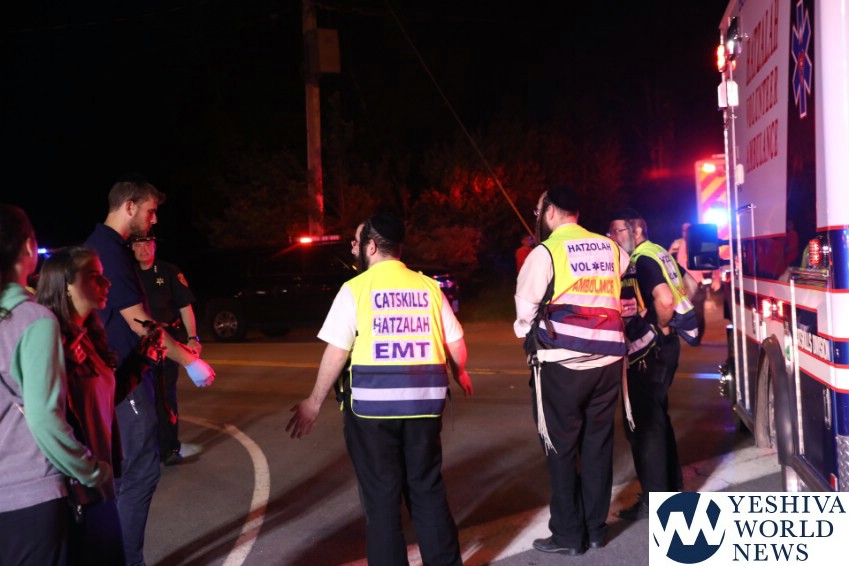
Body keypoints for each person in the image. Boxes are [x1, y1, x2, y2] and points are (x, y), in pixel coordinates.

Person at [286, 213, 473, 565]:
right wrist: (459, 371)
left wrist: (314, 402)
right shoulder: (428, 287)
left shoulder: (356, 289)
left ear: (371, 247)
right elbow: (456, 343)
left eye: (357, 243)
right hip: (424, 407)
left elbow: (337, 352)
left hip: (372, 413)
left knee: (382, 500)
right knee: (427, 489)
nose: (353, 249)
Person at [85, 175, 215, 566]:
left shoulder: (103, 246)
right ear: (129, 206)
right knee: (140, 472)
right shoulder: (109, 251)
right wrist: (191, 361)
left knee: (119, 475)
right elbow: (138, 320)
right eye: (150, 211)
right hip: (121, 378)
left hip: (112, 375)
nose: (154, 219)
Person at [514, 186, 629, 556]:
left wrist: (528, 333)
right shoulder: (611, 248)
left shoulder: (545, 253)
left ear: (550, 212)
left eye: (538, 210)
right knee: (598, 446)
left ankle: (568, 535)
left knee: (560, 448)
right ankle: (595, 529)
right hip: (608, 363)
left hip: (561, 365)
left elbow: (524, 315)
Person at [37, 246, 165, 565]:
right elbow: (43, 414)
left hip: (97, 483)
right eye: (95, 276)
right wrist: (88, 471)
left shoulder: (88, 336)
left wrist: (143, 357)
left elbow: (106, 396)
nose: (107, 283)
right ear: (66, 284)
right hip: (73, 489)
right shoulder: (48, 341)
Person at [0, 205, 113, 566]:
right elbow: (45, 419)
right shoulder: (32, 320)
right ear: (28, 247)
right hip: (30, 497)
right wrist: (93, 471)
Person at [608, 208, 698, 520]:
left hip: (650, 351)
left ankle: (655, 499)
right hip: (666, 349)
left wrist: (660, 325)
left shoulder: (641, 260)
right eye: (610, 232)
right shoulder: (659, 252)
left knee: (644, 425)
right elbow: (692, 285)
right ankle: (671, 489)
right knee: (658, 418)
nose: (612, 237)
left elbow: (666, 299)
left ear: (636, 232)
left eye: (618, 231)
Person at [132, 235, 201, 465]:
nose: (143, 250)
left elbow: (185, 306)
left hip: (167, 342)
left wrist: (192, 338)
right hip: (138, 344)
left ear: (154, 246)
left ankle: (169, 448)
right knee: (142, 399)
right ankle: (148, 449)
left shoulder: (168, 271)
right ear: (132, 249)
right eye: (138, 245)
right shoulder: (129, 274)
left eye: (147, 245)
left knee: (165, 396)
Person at [668, 222, 706, 343]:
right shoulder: (677, 243)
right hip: (682, 283)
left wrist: (716, 278)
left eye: (688, 230)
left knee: (698, 312)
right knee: (681, 309)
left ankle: (697, 337)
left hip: (698, 283)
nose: (685, 232)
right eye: (683, 230)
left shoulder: (698, 242)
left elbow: (710, 258)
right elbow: (667, 257)